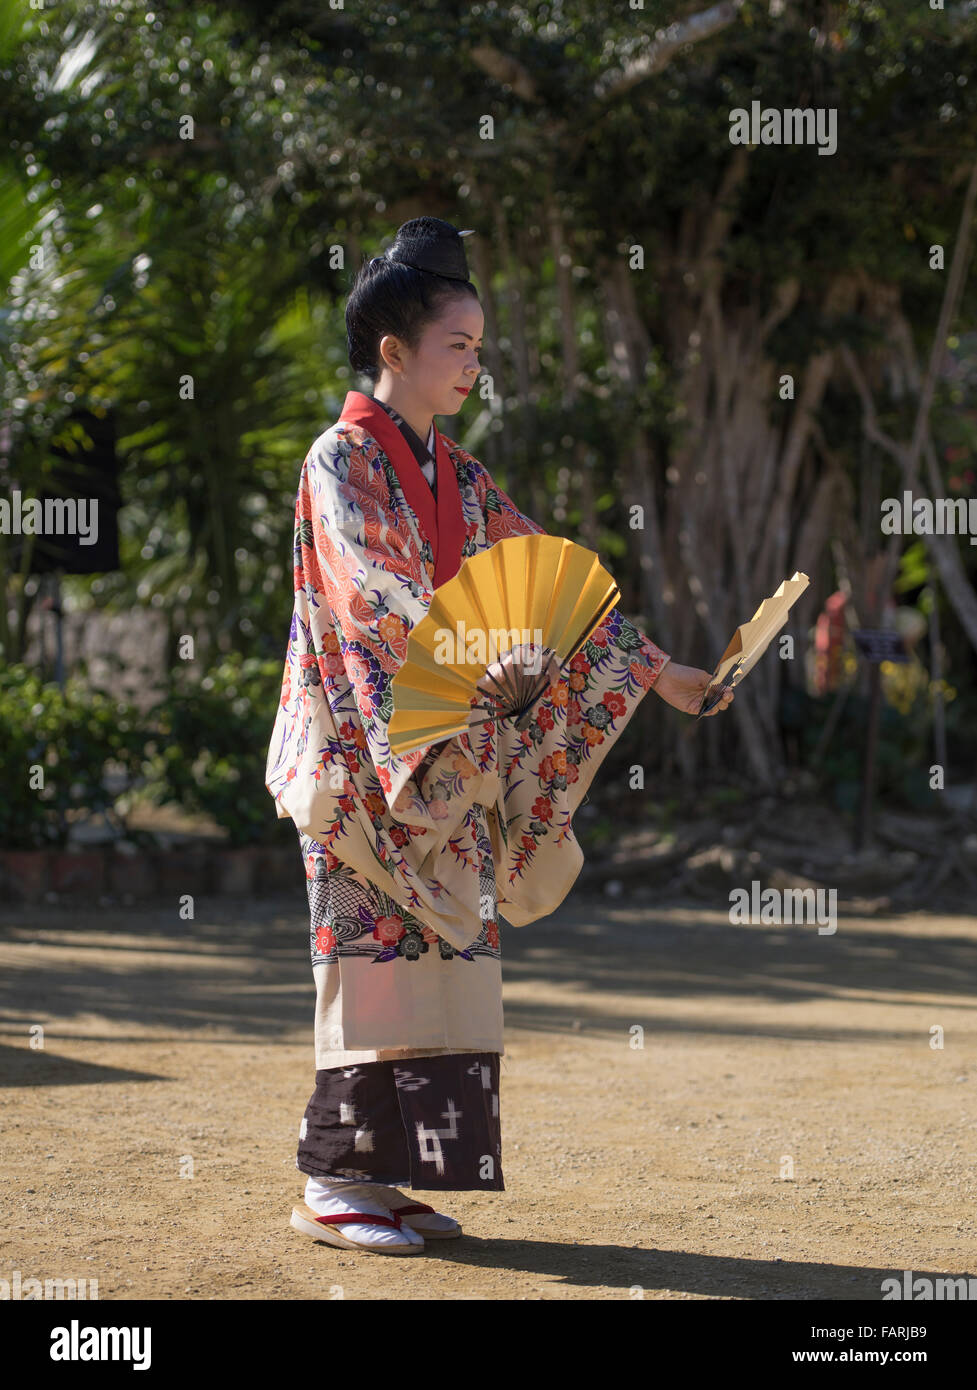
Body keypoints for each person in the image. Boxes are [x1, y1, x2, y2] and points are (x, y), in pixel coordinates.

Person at [264, 216, 733, 1256]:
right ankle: (333, 1181)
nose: (474, 365)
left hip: (451, 751)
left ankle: (395, 1177)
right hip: (362, 758)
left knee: (448, 958)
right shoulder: (338, 459)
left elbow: (552, 587)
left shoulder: (461, 480)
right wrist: (476, 657)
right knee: (369, 959)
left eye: (478, 346)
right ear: (394, 352)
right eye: (458, 346)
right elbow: (376, 596)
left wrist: (665, 675)